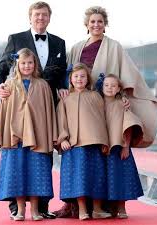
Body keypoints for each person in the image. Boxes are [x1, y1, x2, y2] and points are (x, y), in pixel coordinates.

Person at [54, 5, 157, 218]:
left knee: (111, 154)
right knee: (84, 157)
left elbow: (127, 75)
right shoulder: (76, 48)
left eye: (100, 21)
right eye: (92, 21)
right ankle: (76, 204)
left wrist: (122, 98)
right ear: (87, 25)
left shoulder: (115, 47)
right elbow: (69, 75)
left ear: (105, 24)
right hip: (84, 107)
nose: (96, 25)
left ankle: (112, 205)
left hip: (108, 102)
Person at [0, 1, 66, 218]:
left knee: (43, 156)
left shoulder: (59, 42)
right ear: (30, 17)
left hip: (46, 103)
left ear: (49, 18)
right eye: (37, 15)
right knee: (18, 158)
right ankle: (17, 207)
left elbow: (62, 71)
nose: (40, 18)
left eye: (44, 15)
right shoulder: (16, 39)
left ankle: (41, 207)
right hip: (18, 104)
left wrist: (63, 86)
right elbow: (2, 68)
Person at [0, 48, 57, 221]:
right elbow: (4, 112)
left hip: (37, 137)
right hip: (17, 138)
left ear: (35, 64)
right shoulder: (9, 85)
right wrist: (0, 134)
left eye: (30, 62)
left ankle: (35, 210)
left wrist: (51, 135)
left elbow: (48, 112)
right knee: (18, 172)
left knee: (37, 172)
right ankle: (20, 209)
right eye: (23, 63)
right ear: (17, 64)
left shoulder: (43, 85)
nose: (27, 66)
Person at [57, 63, 111, 220]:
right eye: (76, 76)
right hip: (74, 146)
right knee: (78, 178)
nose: (79, 79)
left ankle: (97, 209)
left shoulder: (95, 96)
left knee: (97, 176)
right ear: (70, 79)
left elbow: (102, 120)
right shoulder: (65, 100)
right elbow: (61, 120)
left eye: (82, 76)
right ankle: (82, 210)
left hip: (94, 143)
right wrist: (63, 138)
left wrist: (103, 140)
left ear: (88, 79)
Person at [100, 74, 144, 219]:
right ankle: (110, 207)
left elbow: (128, 126)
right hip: (103, 148)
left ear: (119, 89)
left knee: (120, 177)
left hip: (119, 147)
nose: (109, 88)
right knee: (106, 178)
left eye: (113, 86)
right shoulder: (97, 102)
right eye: (106, 85)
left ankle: (121, 207)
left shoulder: (122, 104)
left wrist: (126, 146)